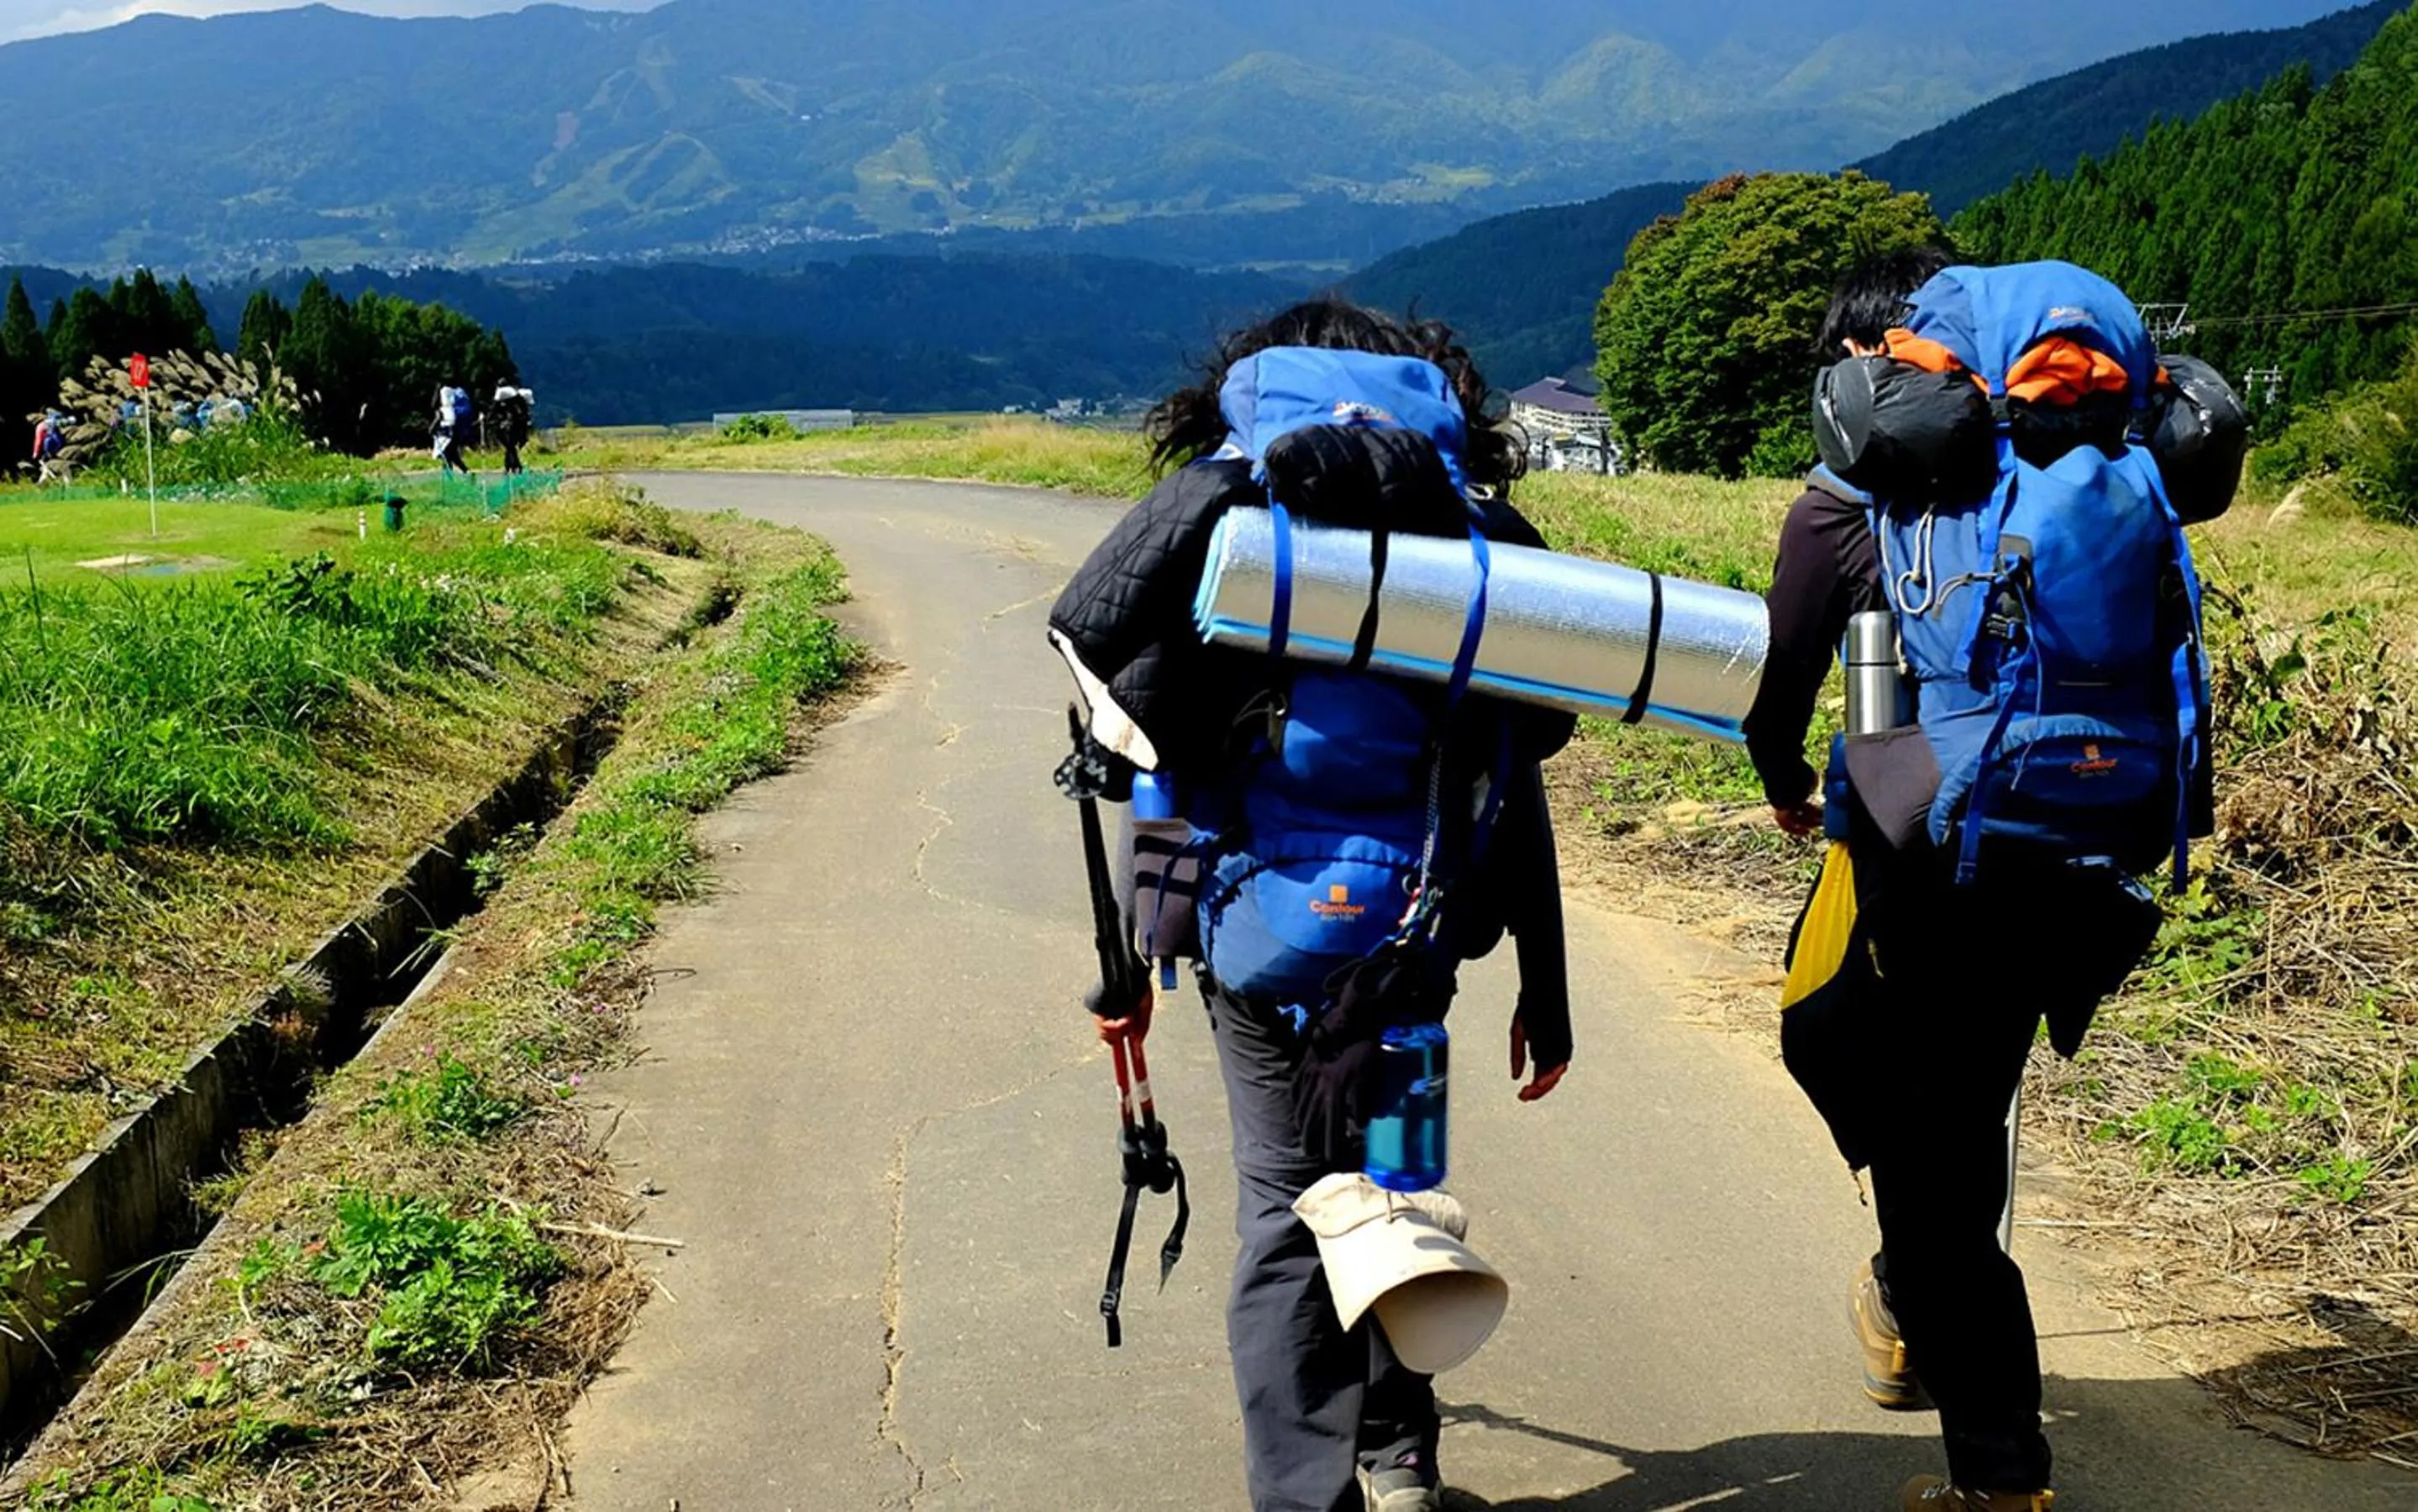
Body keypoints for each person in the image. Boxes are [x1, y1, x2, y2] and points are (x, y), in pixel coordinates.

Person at [1049, 300, 1574, 1512]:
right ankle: (1399, 1456)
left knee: (1286, 1213)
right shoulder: (1469, 551)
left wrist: (1131, 967)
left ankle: (1303, 1499)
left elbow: (1149, 777)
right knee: (1397, 1183)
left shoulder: (1232, 546)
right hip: (1415, 948)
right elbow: (1510, 785)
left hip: (1256, 950)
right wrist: (1544, 988)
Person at [1753, 252, 2216, 1512]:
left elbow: (1799, 670)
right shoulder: (2111, 477)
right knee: (1954, 1113)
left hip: (1933, 852)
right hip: (2089, 845)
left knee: (1903, 1128)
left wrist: (1784, 773)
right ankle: (1915, 1300)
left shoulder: (1861, 503)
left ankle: (1993, 1464)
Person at [491, 385, 533, 475]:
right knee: (511, 446)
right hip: (516, 425)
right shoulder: (518, 402)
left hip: (512, 425)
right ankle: (512, 465)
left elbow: (494, 408)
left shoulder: (507, 401)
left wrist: (490, 418)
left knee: (510, 446)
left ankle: (512, 466)